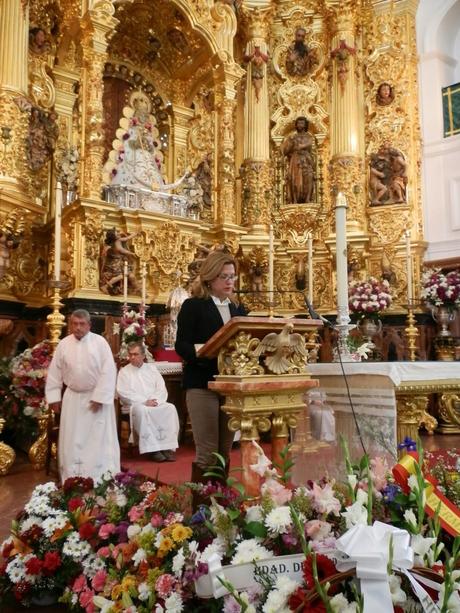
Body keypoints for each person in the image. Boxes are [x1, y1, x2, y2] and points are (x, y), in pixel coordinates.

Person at [175, 250, 246, 483]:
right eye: (224, 276)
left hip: (229, 386)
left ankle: (221, 505)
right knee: (207, 453)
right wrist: (204, 351)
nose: (230, 282)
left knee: (224, 452)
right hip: (202, 383)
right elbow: (182, 345)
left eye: (232, 276)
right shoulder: (193, 306)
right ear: (210, 278)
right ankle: (201, 509)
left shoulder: (239, 310)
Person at [45, 309, 120, 483]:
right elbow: (55, 372)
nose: (78, 327)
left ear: (89, 325)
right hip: (72, 398)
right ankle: (72, 477)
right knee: (72, 438)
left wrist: (100, 397)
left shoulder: (100, 343)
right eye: (74, 324)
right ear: (70, 324)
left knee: (97, 440)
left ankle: (100, 477)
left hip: (95, 399)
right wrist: (54, 397)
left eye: (82, 324)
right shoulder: (63, 344)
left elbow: (108, 371)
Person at [116, 341, 179, 462]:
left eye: (136, 354)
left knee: (170, 408)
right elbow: (123, 393)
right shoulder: (124, 372)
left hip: (155, 402)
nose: (132, 357)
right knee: (141, 410)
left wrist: (155, 401)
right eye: (130, 354)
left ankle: (166, 447)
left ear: (143, 356)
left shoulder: (152, 369)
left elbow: (161, 387)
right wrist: (144, 402)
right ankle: (153, 450)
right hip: (134, 405)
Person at [281, 116, 316, 203]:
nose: (300, 125)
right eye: (298, 123)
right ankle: (295, 199)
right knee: (295, 180)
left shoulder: (308, 137)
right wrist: (289, 143)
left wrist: (298, 146)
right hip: (295, 160)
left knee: (308, 178)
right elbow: (285, 150)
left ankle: (307, 198)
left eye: (302, 123)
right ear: (296, 125)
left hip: (306, 160)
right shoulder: (292, 137)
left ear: (305, 125)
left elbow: (306, 145)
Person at [100, 228, 139, 295]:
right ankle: (105, 286)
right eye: (117, 233)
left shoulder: (118, 240)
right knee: (121, 276)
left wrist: (134, 234)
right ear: (113, 237)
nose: (119, 233)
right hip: (114, 264)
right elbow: (122, 250)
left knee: (125, 275)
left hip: (118, 262)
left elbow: (126, 238)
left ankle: (106, 286)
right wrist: (131, 253)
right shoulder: (116, 244)